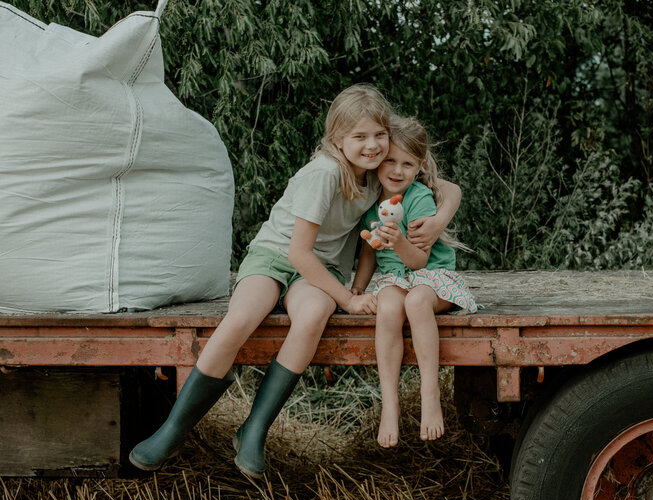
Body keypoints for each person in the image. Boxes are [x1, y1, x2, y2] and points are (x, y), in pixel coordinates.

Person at [129, 85, 461, 478]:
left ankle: (254, 429)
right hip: (277, 256)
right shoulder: (325, 173)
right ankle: (172, 429)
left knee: (314, 314)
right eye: (359, 137)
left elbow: (446, 186)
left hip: (321, 271)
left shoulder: (380, 173)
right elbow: (297, 254)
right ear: (337, 139)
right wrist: (351, 300)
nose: (372, 146)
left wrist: (439, 220)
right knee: (241, 319)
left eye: (379, 136)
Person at [351, 115, 478, 448]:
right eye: (390, 160)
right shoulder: (373, 202)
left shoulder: (418, 197)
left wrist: (399, 242)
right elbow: (368, 251)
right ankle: (389, 404)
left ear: (419, 166)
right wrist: (358, 288)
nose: (396, 170)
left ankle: (430, 394)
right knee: (389, 305)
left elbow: (420, 260)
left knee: (415, 300)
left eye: (407, 164)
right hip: (397, 279)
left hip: (432, 278)